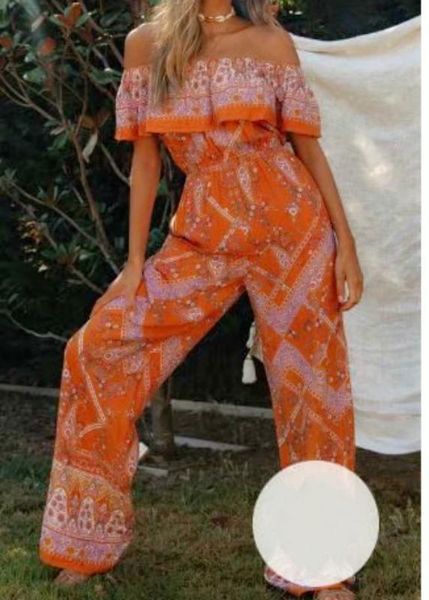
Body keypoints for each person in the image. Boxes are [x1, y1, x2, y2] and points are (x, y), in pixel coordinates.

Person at [38, 1, 364, 598]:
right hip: (204, 234)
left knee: (314, 396)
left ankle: (322, 569)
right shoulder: (146, 45)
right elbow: (146, 160)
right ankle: (85, 541)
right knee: (95, 352)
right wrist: (135, 266)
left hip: (293, 233)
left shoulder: (270, 40)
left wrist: (345, 244)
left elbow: (306, 149)